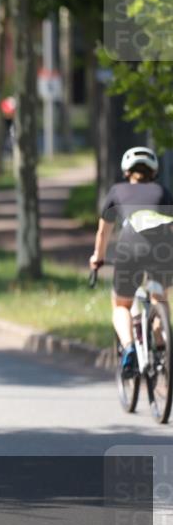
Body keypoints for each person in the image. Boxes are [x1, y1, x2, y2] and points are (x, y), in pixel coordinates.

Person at [89, 146, 172, 378]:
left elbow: (103, 232)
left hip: (130, 246)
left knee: (121, 305)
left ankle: (128, 348)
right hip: (162, 248)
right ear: (153, 172)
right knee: (159, 298)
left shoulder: (117, 191)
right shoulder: (162, 191)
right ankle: (162, 346)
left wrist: (98, 258)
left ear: (127, 171)